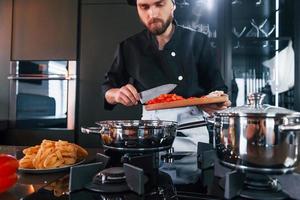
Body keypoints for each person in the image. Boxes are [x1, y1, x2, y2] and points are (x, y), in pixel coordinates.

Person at [102, 0, 231, 152]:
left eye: (159, 4)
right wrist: (116, 94)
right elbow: (108, 88)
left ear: (173, 4)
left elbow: (219, 90)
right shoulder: (129, 47)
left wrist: (217, 103)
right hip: (151, 133)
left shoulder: (198, 41)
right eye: (144, 7)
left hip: (192, 131)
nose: (152, 13)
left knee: (195, 174)